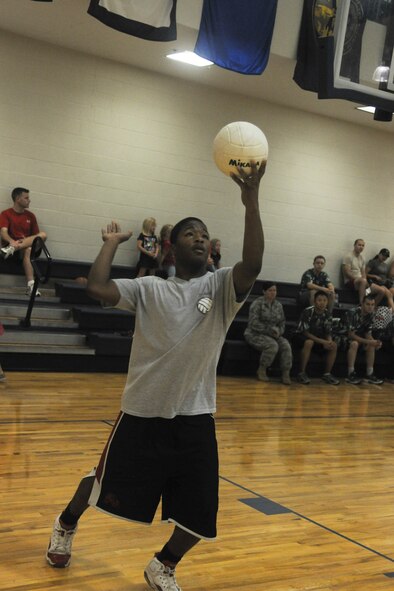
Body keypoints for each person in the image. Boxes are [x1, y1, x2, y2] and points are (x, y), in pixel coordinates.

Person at [45, 161, 266, 591]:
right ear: (171, 247)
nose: (200, 237)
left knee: (202, 513)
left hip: (196, 418)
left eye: (204, 233)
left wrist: (251, 199)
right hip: (142, 414)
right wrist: (110, 243)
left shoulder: (221, 289)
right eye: (190, 233)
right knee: (99, 485)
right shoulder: (149, 289)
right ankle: (66, 522)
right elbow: (97, 288)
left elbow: (253, 262)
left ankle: (163, 564)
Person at [0, 187, 47, 296]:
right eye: (26, 198)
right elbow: (3, 233)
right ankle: (31, 286)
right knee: (28, 249)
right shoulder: (6, 214)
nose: (29, 200)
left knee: (42, 235)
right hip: (13, 248)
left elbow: (37, 237)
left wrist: (18, 244)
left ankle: (12, 248)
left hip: (21, 247)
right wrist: (12, 241)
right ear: (17, 199)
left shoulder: (31, 216)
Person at [244, 281, 292, 385]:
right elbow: (253, 323)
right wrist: (269, 331)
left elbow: (282, 322)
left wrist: (279, 332)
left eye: (274, 290)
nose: (273, 293)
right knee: (272, 345)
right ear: (264, 291)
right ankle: (262, 369)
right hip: (254, 333)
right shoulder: (257, 304)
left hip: (274, 334)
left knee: (286, 345)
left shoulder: (278, 305)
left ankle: (285, 373)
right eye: (270, 290)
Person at [294, 290, 340, 385]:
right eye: (319, 300)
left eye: (324, 300)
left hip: (318, 339)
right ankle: (301, 373)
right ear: (315, 301)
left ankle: (327, 374)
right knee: (309, 342)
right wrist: (323, 341)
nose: (322, 302)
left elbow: (328, 332)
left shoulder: (328, 314)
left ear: (327, 302)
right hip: (300, 337)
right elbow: (305, 332)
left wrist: (329, 342)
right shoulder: (308, 312)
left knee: (334, 345)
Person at [344, 295, 384, 385]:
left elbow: (368, 334)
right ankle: (350, 374)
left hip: (358, 337)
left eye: (372, 305)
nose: (370, 307)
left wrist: (375, 342)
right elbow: (351, 335)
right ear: (362, 304)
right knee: (354, 343)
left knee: (371, 345)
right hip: (343, 337)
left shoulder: (371, 315)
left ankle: (369, 373)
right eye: (368, 304)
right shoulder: (352, 313)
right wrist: (369, 341)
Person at [342, 239, 386, 305]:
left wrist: (366, 282)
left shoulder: (362, 258)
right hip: (351, 282)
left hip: (362, 286)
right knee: (363, 281)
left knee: (382, 290)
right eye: (359, 245)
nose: (361, 247)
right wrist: (360, 280)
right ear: (354, 245)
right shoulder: (348, 256)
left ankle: (371, 308)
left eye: (363, 245)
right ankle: (361, 304)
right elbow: (347, 273)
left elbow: (363, 273)